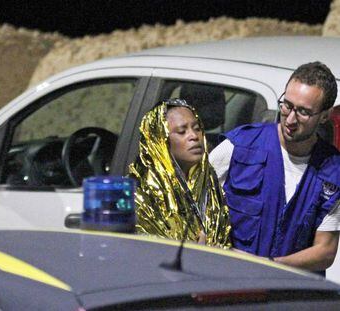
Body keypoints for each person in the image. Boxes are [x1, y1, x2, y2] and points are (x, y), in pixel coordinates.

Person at [209, 61, 340, 272]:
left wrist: (269, 266)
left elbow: (325, 251)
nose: (290, 118)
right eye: (287, 105)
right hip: (229, 284)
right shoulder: (237, 147)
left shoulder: (333, 172)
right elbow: (193, 206)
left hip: (287, 294)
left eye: (303, 112)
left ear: (324, 116)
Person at [128, 98, 231, 248]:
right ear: (160, 141)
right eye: (182, 131)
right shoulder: (141, 194)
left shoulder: (210, 183)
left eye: (197, 128)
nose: (194, 136)